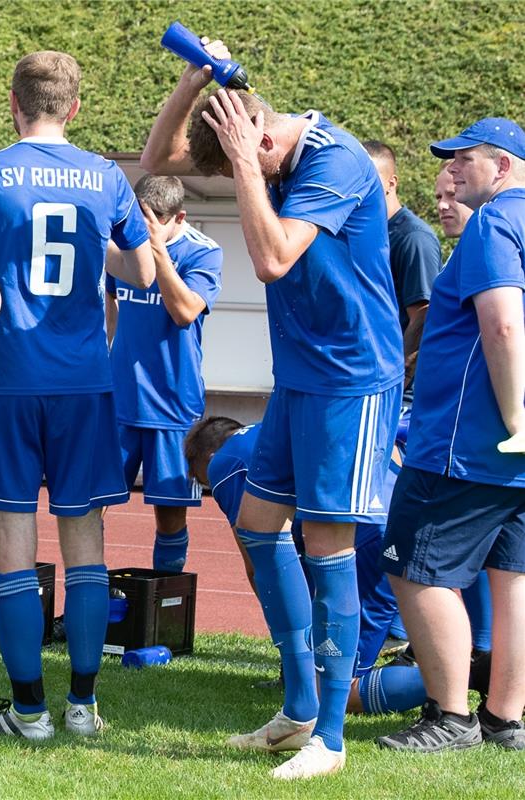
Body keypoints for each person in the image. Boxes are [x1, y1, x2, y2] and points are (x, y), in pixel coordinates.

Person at [143, 41, 403, 779]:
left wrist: (249, 168)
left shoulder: (335, 159)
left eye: (240, 164)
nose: (234, 181)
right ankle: (296, 707)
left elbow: (273, 258)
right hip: (299, 380)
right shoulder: (265, 151)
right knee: (259, 524)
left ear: (259, 139)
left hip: (350, 382)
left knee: (326, 545)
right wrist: (194, 82)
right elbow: (157, 160)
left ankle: (330, 735)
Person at [0, 51, 155, 741]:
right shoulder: (104, 177)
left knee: (11, 544)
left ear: (14, 102)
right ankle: (85, 707)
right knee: (86, 542)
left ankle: (29, 711)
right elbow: (143, 268)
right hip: (83, 381)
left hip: (5, 378)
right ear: (74, 107)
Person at [377, 118, 525, 752]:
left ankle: (451, 716)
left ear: (505, 167)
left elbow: (501, 327)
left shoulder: (495, 224)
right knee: (513, 577)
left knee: (416, 568)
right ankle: (505, 719)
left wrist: (516, 419)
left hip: (468, 442)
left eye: (467, 159)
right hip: (508, 453)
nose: (453, 169)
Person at [184, 417, 446, 719]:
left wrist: (290, 632)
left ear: (209, 459)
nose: (210, 488)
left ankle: (471, 676)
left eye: (203, 482)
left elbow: (259, 562)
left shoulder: (225, 464)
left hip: (366, 536)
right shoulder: (274, 426)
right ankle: (419, 656)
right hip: (405, 515)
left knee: (338, 690)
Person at [106, 175, 222, 572]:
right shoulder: (123, 243)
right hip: (120, 401)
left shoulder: (203, 253)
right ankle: (85, 601)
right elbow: (111, 301)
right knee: (92, 506)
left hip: (175, 408)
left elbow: (185, 311)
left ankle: (164, 607)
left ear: (179, 217)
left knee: (170, 515)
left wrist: (156, 250)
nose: (143, 228)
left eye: (153, 220)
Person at [363, 141, 443, 403]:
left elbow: (422, 317)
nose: (360, 187)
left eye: (370, 179)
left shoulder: (413, 238)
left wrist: (395, 388)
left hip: (394, 393)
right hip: (362, 379)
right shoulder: (365, 231)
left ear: (391, 182)